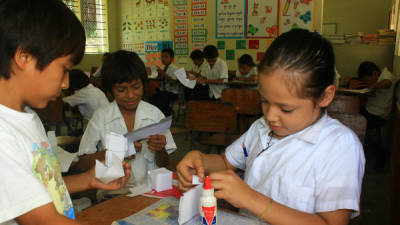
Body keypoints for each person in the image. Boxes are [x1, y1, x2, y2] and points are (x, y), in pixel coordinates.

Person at [177, 29, 365, 224]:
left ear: (325, 96)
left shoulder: (339, 146)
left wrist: (251, 199)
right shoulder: (261, 127)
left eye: (286, 109)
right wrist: (201, 160)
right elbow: (226, 162)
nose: (271, 116)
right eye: (265, 101)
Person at [0, 1, 131, 225]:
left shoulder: (27, 117)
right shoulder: (3, 133)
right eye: (64, 69)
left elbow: (38, 190)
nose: (65, 83)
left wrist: (88, 180)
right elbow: (45, 220)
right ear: (25, 57)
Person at [76, 50, 177, 200]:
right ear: (111, 90)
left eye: (136, 87)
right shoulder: (101, 117)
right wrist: (115, 151)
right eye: (121, 90)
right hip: (112, 194)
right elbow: (82, 164)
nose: (130, 95)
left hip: (149, 192)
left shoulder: (154, 115)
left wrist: (160, 149)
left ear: (144, 85)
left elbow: (164, 163)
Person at [357, 61, 394, 170]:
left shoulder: (386, 75)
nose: (368, 82)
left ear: (375, 73)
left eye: (368, 79)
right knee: (354, 116)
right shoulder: (380, 76)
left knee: (357, 126)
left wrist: (374, 86)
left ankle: (379, 152)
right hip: (370, 110)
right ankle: (373, 150)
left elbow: (387, 83)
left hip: (378, 115)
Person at [149, 48, 179, 116]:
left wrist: (163, 73)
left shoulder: (174, 68)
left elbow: (173, 82)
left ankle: (166, 117)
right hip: (163, 91)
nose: (163, 59)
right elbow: (159, 79)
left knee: (162, 97)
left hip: (172, 92)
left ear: (172, 58)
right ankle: (157, 116)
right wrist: (157, 74)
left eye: (166, 57)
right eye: (162, 57)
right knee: (151, 98)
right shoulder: (163, 67)